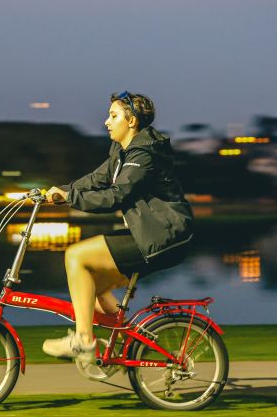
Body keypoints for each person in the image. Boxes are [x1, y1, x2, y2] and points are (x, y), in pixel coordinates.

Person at [42, 91, 194, 363]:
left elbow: (117, 195)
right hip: (147, 232)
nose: (106, 122)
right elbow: (97, 178)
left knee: (75, 256)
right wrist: (60, 192)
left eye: (113, 116)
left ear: (132, 121)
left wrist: (71, 199)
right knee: (94, 287)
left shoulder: (143, 153)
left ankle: (84, 341)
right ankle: (132, 345)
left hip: (164, 236)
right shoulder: (123, 151)